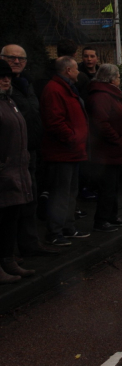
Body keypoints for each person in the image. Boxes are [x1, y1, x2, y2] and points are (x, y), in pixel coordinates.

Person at [1, 45, 56, 256]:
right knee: (11, 205)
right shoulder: (5, 87)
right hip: (9, 157)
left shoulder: (27, 83)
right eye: (11, 58)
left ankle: (29, 245)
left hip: (30, 152)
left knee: (29, 198)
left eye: (20, 58)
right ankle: (10, 253)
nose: (16, 61)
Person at [40, 56, 90, 245]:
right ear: (68, 70)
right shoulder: (55, 90)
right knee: (60, 193)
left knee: (70, 192)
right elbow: (55, 122)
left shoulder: (66, 88)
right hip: (62, 152)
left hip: (72, 151)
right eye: (76, 69)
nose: (79, 72)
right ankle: (55, 232)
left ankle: (68, 227)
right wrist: (72, 139)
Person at [86, 64, 122, 231]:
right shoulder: (101, 96)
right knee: (107, 186)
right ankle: (102, 220)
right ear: (111, 79)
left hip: (112, 148)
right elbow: (101, 122)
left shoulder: (109, 95)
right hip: (106, 149)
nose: (120, 79)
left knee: (112, 185)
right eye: (119, 76)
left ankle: (111, 216)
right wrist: (118, 139)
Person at [0, 59, 35, 282]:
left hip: (16, 171)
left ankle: (8, 260)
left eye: (8, 76)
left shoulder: (8, 101)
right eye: (1, 76)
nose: (5, 79)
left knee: (10, 218)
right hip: (4, 171)